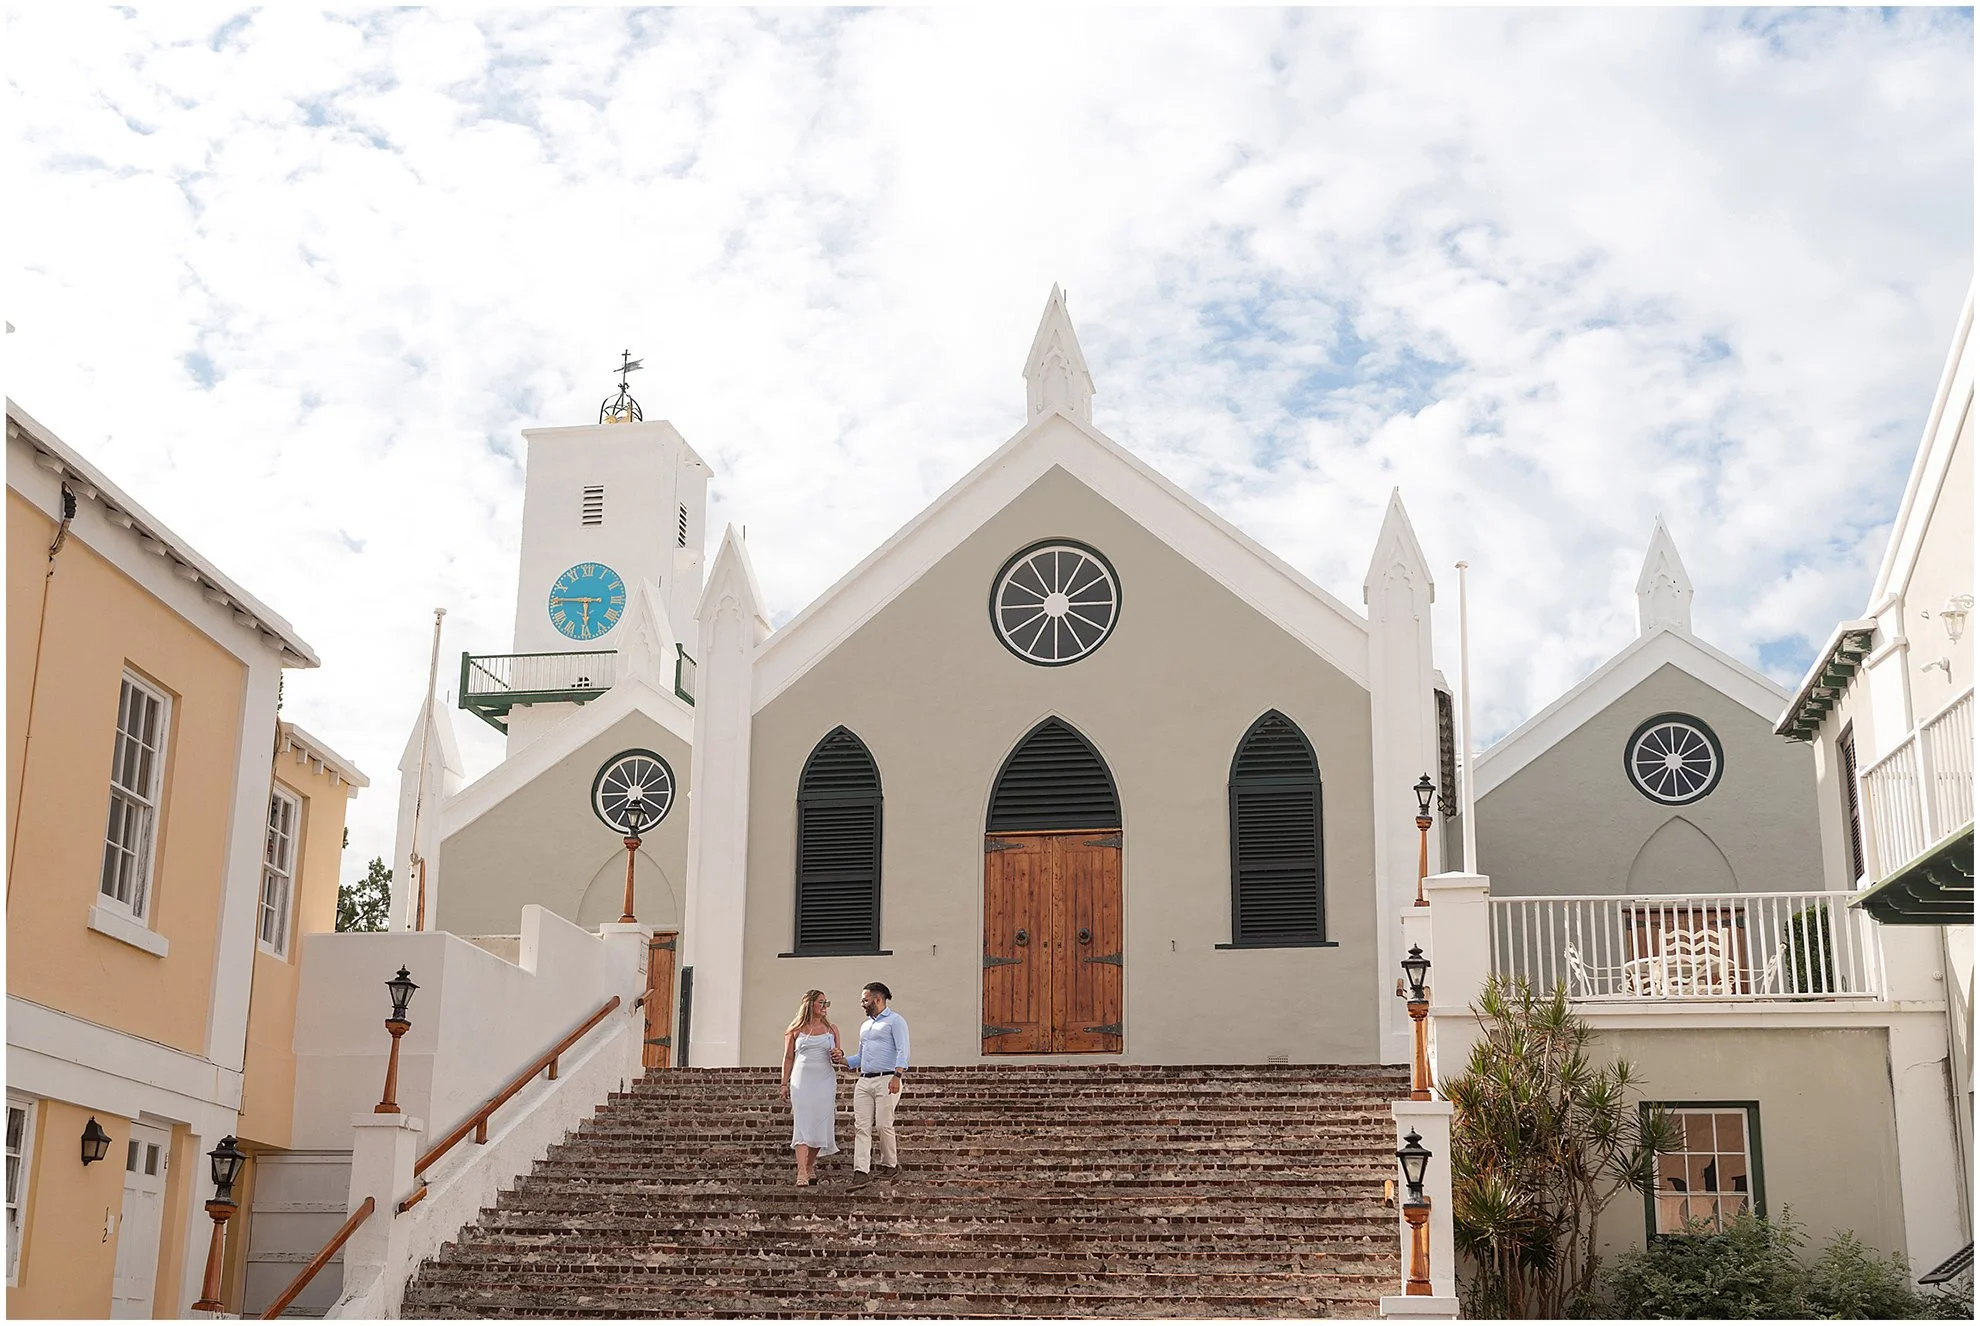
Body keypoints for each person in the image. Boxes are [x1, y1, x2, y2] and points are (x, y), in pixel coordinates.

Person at [831, 981, 909, 1187]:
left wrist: (897, 1076)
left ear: (878, 999)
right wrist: (842, 1059)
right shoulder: (865, 1026)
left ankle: (891, 1166)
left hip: (888, 1078)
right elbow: (861, 1057)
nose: (862, 1004)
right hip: (864, 1081)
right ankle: (861, 1172)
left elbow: (903, 1050)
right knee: (862, 1127)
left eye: (865, 1000)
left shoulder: (895, 1021)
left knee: (883, 1124)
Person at [779, 989, 841, 1186]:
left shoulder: (831, 1030)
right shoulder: (795, 1029)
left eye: (826, 1003)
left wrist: (839, 1054)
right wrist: (783, 1083)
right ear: (810, 1005)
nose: (825, 1007)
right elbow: (788, 1057)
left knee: (819, 1123)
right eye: (821, 1002)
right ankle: (801, 1172)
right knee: (803, 1122)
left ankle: (809, 1164)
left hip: (824, 1080)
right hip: (802, 1080)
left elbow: (839, 1056)